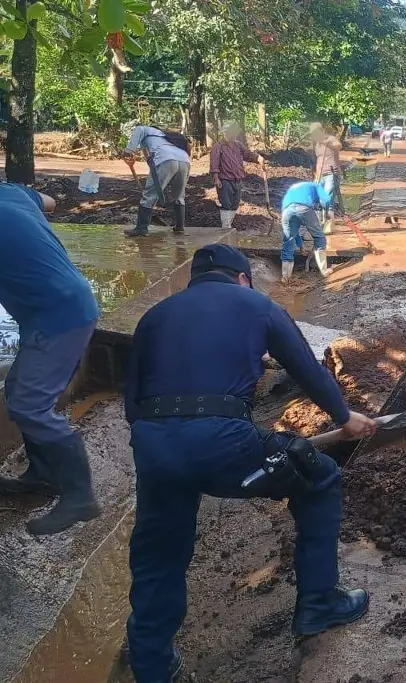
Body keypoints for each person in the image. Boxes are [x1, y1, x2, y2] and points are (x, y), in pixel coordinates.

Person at [123, 244, 376, 682]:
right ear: (242, 277)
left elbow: (132, 400)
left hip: (153, 443)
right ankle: (319, 604)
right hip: (222, 440)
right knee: (319, 478)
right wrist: (344, 416)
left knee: (159, 550)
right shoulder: (256, 303)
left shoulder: (156, 315)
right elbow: (307, 368)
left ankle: (150, 660)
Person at [0, 183, 102, 535]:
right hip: (63, 302)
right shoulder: (10, 193)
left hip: (57, 315)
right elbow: (51, 202)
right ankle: (42, 475)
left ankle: (80, 497)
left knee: (29, 404)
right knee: (18, 391)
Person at [121, 121, 192, 238]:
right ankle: (180, 227)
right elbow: (148, 157)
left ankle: (141, 228)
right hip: (184, 160)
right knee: (179, 195)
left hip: (165, 159)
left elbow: (139, 129)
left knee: (149, 195)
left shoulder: (145, 130)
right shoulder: (164, 137)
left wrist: (129, 150)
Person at [210, 121, 267, 230]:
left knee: (235, 204)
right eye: (227, 133)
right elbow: (214, 164)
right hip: (224, 180)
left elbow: (247, 155)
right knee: (226, 204)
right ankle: (226, 226)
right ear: (223, 133)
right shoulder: (218, 147)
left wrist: (258, 158)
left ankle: (229, 224)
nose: (229, 135)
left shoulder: (238, 145)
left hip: (237, 179)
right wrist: (216, 178)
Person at [280, 181, 332, 281]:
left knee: (288, 240)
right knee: (319, 237)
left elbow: (293, 233)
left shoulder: (293, 187)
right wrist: (326, 213)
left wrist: (301, 245)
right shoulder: (316, 186)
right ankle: (324, 271)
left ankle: (285, 277)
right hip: (304, 208)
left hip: (286, 211)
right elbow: (326, 199)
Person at [310, 122, 343, 218]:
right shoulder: (317, 144)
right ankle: (324, 220)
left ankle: (329, 221)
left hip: (331, 173)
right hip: (320, 175)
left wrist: (328, 143)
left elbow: (338, 146)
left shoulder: (331, 139)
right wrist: (316, 176)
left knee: (326, 198)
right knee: (319, 199)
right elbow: (319, 160)